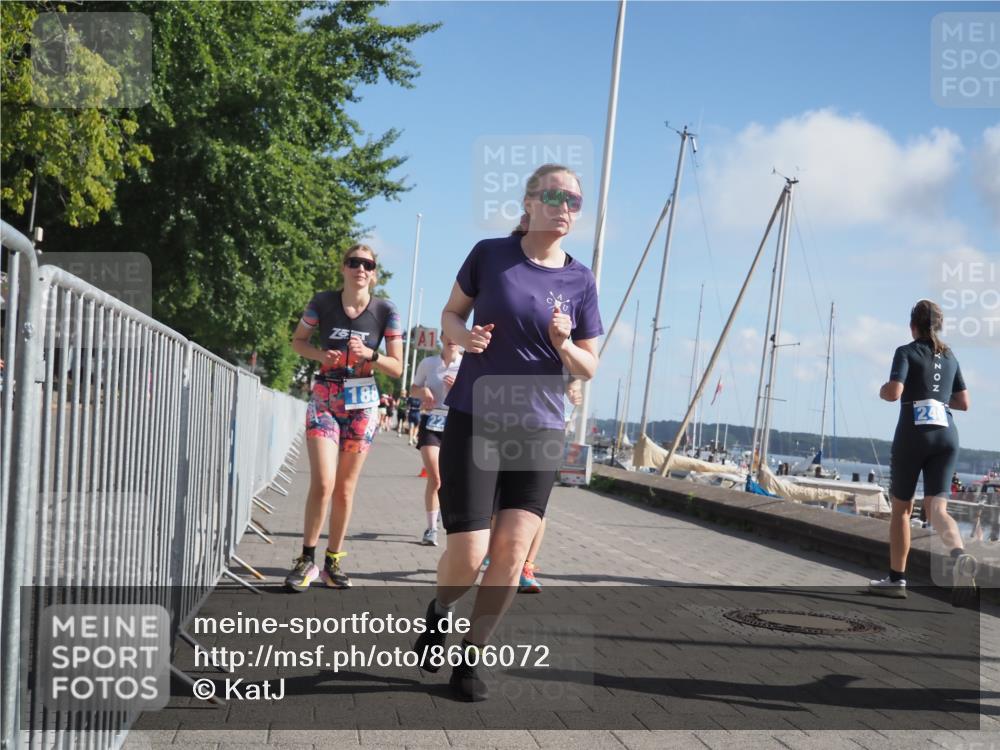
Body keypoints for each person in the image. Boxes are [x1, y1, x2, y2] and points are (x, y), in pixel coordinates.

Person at [412, 163, 603, 701]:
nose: (565, 207)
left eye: (575, 201)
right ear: (529, 202)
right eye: (555, 196)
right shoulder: (489, 255)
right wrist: (464, 337)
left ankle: (470, 660)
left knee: (513, 555)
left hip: (540, 427)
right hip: (476, 417)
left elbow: (589, 365)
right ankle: (440, 609)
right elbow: (450, 314)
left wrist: (564, 345)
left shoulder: (580, 279)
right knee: (469, 554)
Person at [284, 244, 403, 592]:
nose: (360, 269)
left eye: (367, 264)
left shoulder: (386, 311)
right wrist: (323, 355)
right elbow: (298, 343)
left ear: (374, 273)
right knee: (323, 482)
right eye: (354, 262)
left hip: (363, 402)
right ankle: (306, 558)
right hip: (325, 397)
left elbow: (397, 368)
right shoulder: (322, 302)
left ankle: (332, 561)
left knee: (345, 489)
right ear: (343, 268)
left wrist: (371, 354)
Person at [869, 299, 975, 603]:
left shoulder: (905, 351)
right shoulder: (951, 355)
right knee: (937, 509)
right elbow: (964, 403)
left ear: (912, 326)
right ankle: (959, 556)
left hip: (913, 435)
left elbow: (894, 393)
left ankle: (896, 579)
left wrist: (882, 390)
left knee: (902, 509)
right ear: (938, 326)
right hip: (947, 434)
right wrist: (936, 400)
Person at [410, 333, 463, 546]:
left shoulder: (468, 364)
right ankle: (431, 529)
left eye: (456, 335)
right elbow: (412, 389)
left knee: (453, 480)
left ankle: (442, 511)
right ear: (441, 337)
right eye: (448, 334)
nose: (452, 338)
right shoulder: (428, 363)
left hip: (456, 423)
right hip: (431, 421)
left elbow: (478, 395)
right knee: (436, 477)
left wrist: (456, 390)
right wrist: (422, 392)